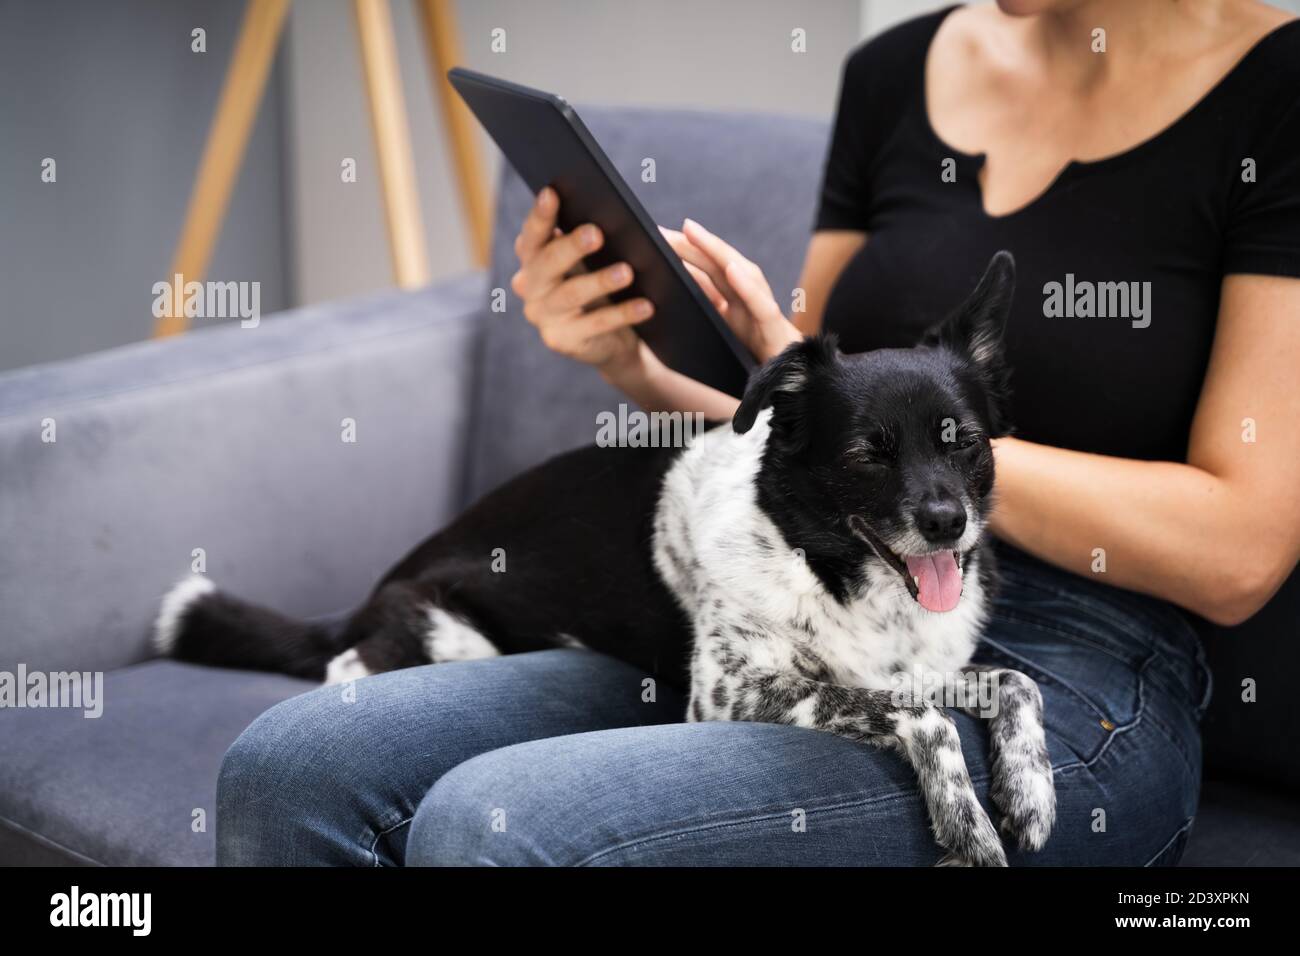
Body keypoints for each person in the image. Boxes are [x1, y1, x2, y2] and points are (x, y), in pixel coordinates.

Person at [217, 0, 1300, 866]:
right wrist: (634, 368)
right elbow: (800, 448)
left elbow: (1240, 549)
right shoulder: (896, 74)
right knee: (290, 770)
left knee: (496, 824)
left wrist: (929, 454)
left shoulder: (1276, 93)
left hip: (1078, 666)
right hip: (807, 613)